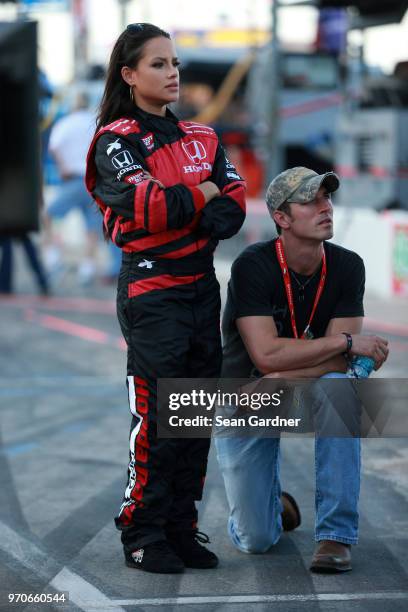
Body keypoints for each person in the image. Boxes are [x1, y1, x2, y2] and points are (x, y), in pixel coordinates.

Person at [85, 23, 246, 574]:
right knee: (157, 413)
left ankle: (179, 526)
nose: (172, 72)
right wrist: (200, 195)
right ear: (129, 75)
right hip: (152, 290)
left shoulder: (203, 135)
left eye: (174, 62)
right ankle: (142, 531)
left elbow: (234, 206)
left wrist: (195, 200)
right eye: (158, 63)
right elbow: (150, 208)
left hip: (202, 286)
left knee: (194, 412)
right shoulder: (115, 141)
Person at [216, 166, 389, 572]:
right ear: (282, 218)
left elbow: (338, 366)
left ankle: (334, 537)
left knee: (341, 390)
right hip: (247, 396)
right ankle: (275, 506)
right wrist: (345, 343)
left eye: (327, 198)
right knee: (255, 539)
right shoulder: (253, 266)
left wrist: (287, 373)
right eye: (311, 201)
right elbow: (266, 356)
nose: (325, 207)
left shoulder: (348, 267)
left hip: (284, 386)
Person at [45, 92, 99, 286]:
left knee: (49, 215)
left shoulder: (65, 123)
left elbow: (54, 147)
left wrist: (62, 167)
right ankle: (88, 266)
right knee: (92, 227)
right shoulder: (95, 123)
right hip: (92, 182)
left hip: (72, 179)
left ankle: (54, 255)